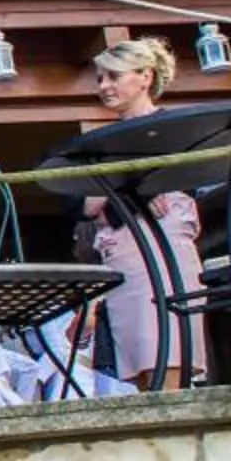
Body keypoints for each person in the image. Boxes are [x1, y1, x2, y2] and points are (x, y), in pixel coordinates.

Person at [84, 38, 208, 389]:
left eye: (114, 76)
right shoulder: (100, 142)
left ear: (144, 76)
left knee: (167, 341)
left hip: (163, 241)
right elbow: (86, 205)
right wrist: (133, 188)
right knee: (137, 348)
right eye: (100, 79)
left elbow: (187, 180)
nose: (105, 86)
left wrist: (122, 190)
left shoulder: (174, 128)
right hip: (121, 250)